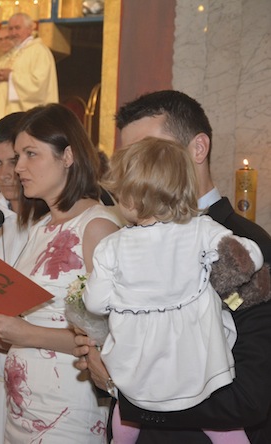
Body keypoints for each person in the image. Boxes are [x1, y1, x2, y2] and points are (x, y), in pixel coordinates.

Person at [74, 90, 271, 443]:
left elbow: (249, 397)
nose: (136, 166)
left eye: (149, 150)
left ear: (198, 149)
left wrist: (128, 393)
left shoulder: (241, 243)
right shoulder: (125, 241)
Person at [0, 104, 120, 443]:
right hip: (21, 409)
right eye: (16, 157)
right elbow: (15, 332)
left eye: (30, 154)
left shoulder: (96, 226)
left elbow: (112, 337)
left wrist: (26, 333)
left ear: (67, 156)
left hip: (67, 408)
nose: (18, 168)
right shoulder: (41, 228)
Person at [0, 13, 58, 175]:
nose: (13, 32)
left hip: (21, 124)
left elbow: (39, 86)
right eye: (10, 28)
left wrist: (12, 77)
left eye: (17, 28)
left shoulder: (39, 52)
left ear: (30, 29)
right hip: (0, 122)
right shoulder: (5, 58)